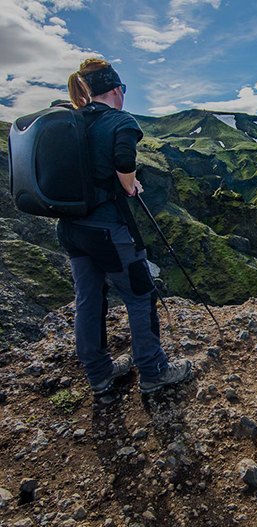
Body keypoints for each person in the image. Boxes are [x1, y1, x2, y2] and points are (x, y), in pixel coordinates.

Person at [57, 58, 192, 395]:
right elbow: (123, 160)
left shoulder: (72, 121)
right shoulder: (121, 121)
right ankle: (153, 370)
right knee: (140, 294)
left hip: (71, 229)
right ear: (116, 89)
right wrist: (129, 185)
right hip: (109, 231)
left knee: (88, 299)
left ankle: (99, 374)